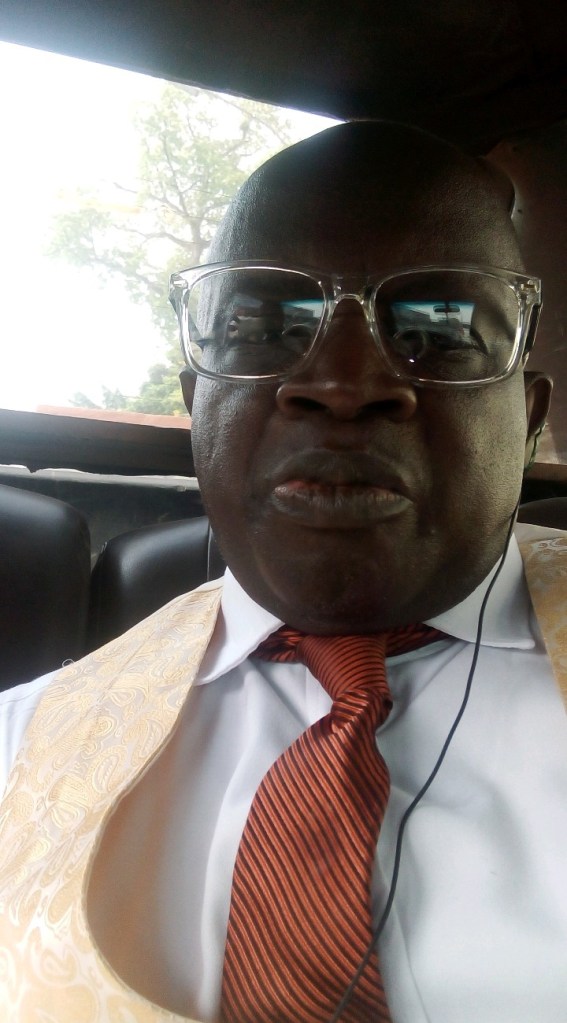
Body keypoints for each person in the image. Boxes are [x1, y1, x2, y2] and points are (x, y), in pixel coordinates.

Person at [0, 120, 565, 1023]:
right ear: (197, 405)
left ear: (528, 420)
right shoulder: (20, 747)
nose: (343, 383)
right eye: (263, 326)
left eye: (439, 330)